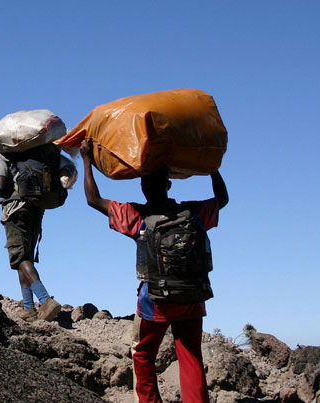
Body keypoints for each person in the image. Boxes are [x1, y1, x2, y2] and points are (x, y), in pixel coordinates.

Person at [79, 138, 228, 403]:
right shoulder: (192, 213)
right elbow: (222, 200)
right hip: (193, 296)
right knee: (190, 355)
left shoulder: (136, 215)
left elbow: (93, 199)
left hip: (154, 302)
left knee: (144, 353)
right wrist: (211, 167)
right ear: (168, 184)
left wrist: (87, 160)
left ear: (143, 186)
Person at [0, 146, 63, 322]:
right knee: (25, 259)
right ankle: (28, 308)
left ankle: (46, 300)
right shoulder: (27, 154)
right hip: (35, 208)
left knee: (20, 258)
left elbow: (1, 187)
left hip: (15, 211)